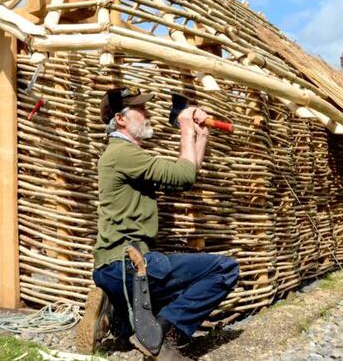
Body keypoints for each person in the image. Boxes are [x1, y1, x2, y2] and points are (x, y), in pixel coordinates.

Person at [77, 87, 239, 360]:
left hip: (115, 268)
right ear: (121, 119)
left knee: (148, 313)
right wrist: (185, 125)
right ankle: (157, 332)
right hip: (129, 265)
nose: (148, 114)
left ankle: (116, 317)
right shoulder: (123, 154)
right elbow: (184, 176)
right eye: (141, 109)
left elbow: (186, 175)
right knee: (224, 270)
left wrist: (201, 137)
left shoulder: (122, 154)